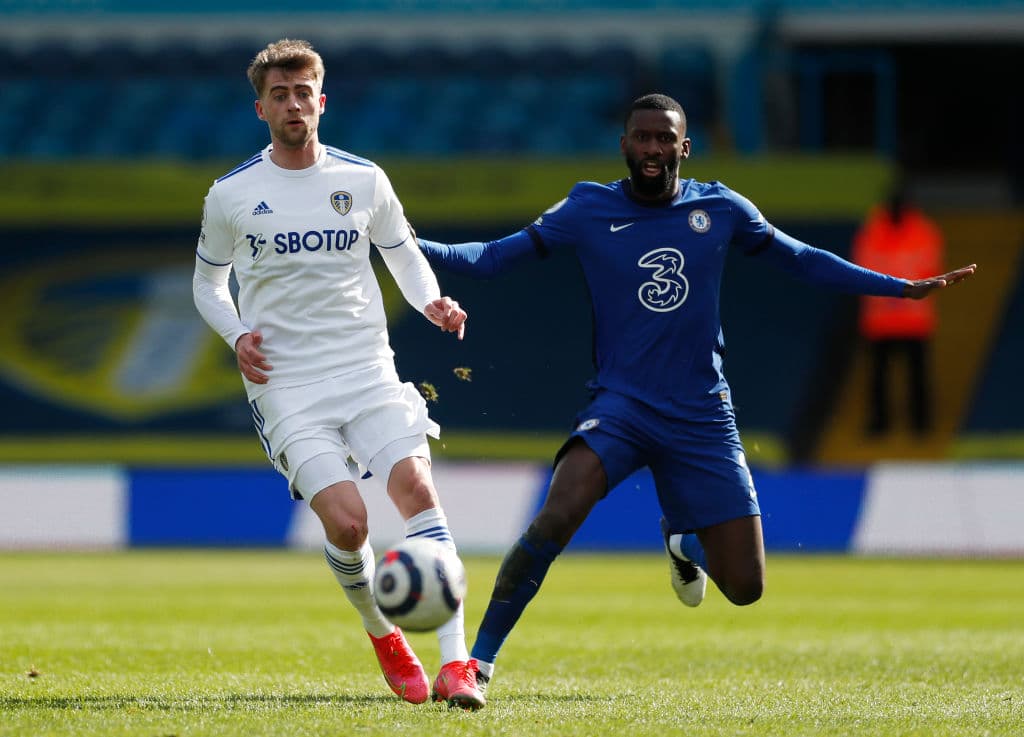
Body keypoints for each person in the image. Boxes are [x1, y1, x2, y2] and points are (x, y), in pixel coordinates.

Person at [418, 93, 976, 697]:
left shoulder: (721, 207)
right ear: (625, 145)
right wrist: (404, 243)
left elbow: (805, 260)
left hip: (703, 414)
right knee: (557, 514)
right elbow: (489, 259)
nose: (653, 149)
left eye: (665, 138)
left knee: (745, 586)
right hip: (621, 406)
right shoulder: (587, 207)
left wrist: (898, 288)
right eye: (642, 137)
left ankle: (684, 539)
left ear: (685, 146)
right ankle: (476, 663)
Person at [191, 39, 485, 710]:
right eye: (280, 95)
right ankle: (383, 633)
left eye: (304, 93)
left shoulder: (363, 180)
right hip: (287, 382)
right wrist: (236, 334)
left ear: (321, 102)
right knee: (350, 525)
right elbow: (208, 285)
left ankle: (457, 664)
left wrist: (432, 300)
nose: (293, 104)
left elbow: (404, 256)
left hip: (365, 366)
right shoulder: (232, 195)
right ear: (260, 108)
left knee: (417, 490)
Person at [851, 180, 945, 436]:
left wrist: (892, 286)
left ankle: (921, 424)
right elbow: (863, 267)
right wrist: (901, 286)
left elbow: (930, 267)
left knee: (917, 376)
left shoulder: (923, 230)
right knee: (878, 378)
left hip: (914, 321)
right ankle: (879, 423)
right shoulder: (872, 230)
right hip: (882, 321)